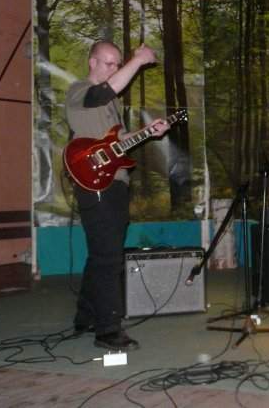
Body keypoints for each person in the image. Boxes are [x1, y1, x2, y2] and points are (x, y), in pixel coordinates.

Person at [66, 41, 170, 351]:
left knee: (103, 251)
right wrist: (137, 60)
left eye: (117, 64)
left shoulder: (112, 104)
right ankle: (108, 330)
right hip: (93, 183)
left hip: (116, 183)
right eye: (108, 63)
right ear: (92, 62)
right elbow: (101, 93)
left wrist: (148, 131)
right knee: (109, 257)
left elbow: (119, 140)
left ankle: (86, 317)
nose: (113, 69)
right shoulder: (79, 90)